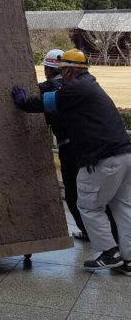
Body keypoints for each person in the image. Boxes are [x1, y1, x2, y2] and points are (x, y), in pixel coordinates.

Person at [12, 48, 131, 273]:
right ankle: (129, 259)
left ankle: (109, 252)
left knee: (88, 205)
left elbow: (41, 103)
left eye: (63, 69)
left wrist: (21, 101)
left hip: (104, 158)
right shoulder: (91, 85)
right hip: (125, 155)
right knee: (122, 208)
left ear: (69, 71)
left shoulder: (75, 89)